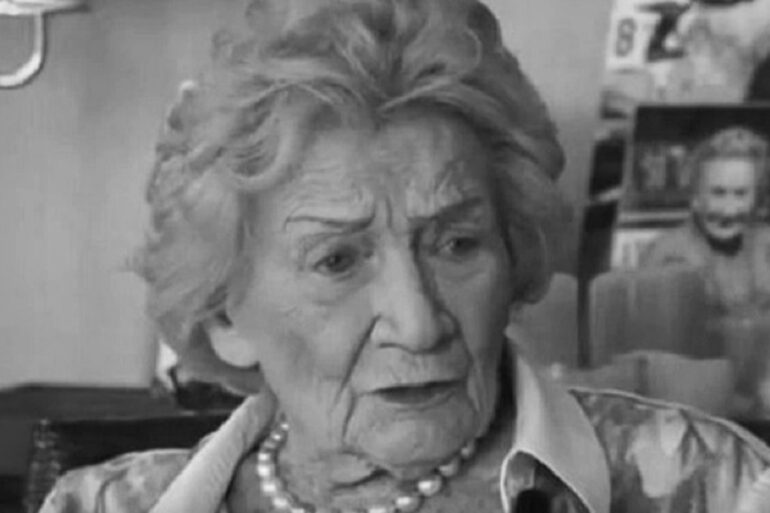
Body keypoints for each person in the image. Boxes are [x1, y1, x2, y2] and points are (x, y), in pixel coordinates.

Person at [40, 1, 770, 512]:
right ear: (224, 318)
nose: (419, 325)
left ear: (512, 252)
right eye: (337, 261)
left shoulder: (714, 487)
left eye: (457, 244)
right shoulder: (99, 505)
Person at [641, 126, 770, 317]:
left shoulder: (765, 244)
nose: (729, 210)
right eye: (718, 193)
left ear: (755, 199)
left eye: (741, 194)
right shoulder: (667, 255)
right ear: (695, 197)